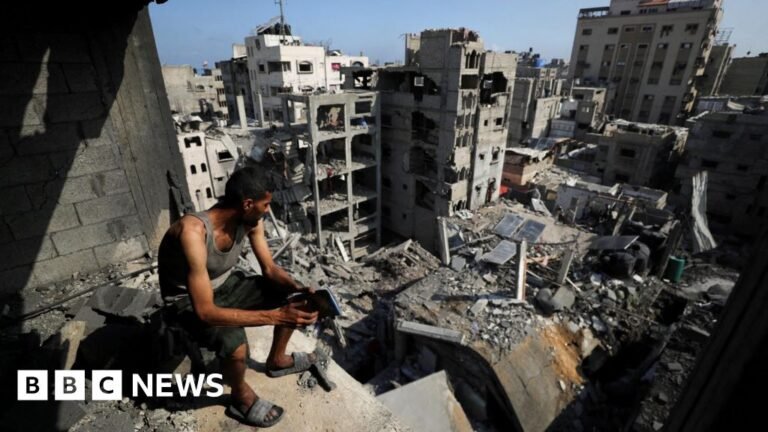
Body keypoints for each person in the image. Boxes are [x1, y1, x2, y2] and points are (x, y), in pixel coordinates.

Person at [158, 166, 318, 428]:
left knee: (293, 298)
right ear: (247, 204)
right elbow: (205, 312)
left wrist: (297, 288)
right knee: (236, 345)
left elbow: (269, 269)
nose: (268, 210)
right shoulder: (193, 233)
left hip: (225, 286)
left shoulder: (251, 221)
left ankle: (277, 360)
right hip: (186, 303)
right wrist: (276, 316)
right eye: (266, 205)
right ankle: (240, 396)